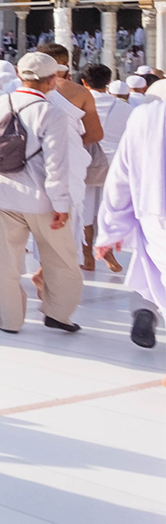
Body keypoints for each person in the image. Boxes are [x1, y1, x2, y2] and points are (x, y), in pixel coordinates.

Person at [0, 50, 84, 335]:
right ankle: (58, 312)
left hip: (0, 194)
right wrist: (61, 203)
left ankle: (9, 320)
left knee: (4, 262)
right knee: (61, 259)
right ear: (51, 80)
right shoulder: (51, 112)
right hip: (42, 200)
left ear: (20, 75)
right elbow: (56, 163)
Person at [96, 81, 166, 349]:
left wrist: (110, 229)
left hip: (154, 215)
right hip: (153, 214)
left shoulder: (144, 118)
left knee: (149, 264)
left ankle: (144, 310)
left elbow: (120, 179)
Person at [85, 64, 133, 274]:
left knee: (85, 212)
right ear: (108, 82)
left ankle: (88, 257)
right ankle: (108, 252)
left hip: (86, 162)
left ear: (84, 82)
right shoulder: (125, 108)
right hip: (114, 166)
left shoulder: (79, 104)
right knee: (108, 211)